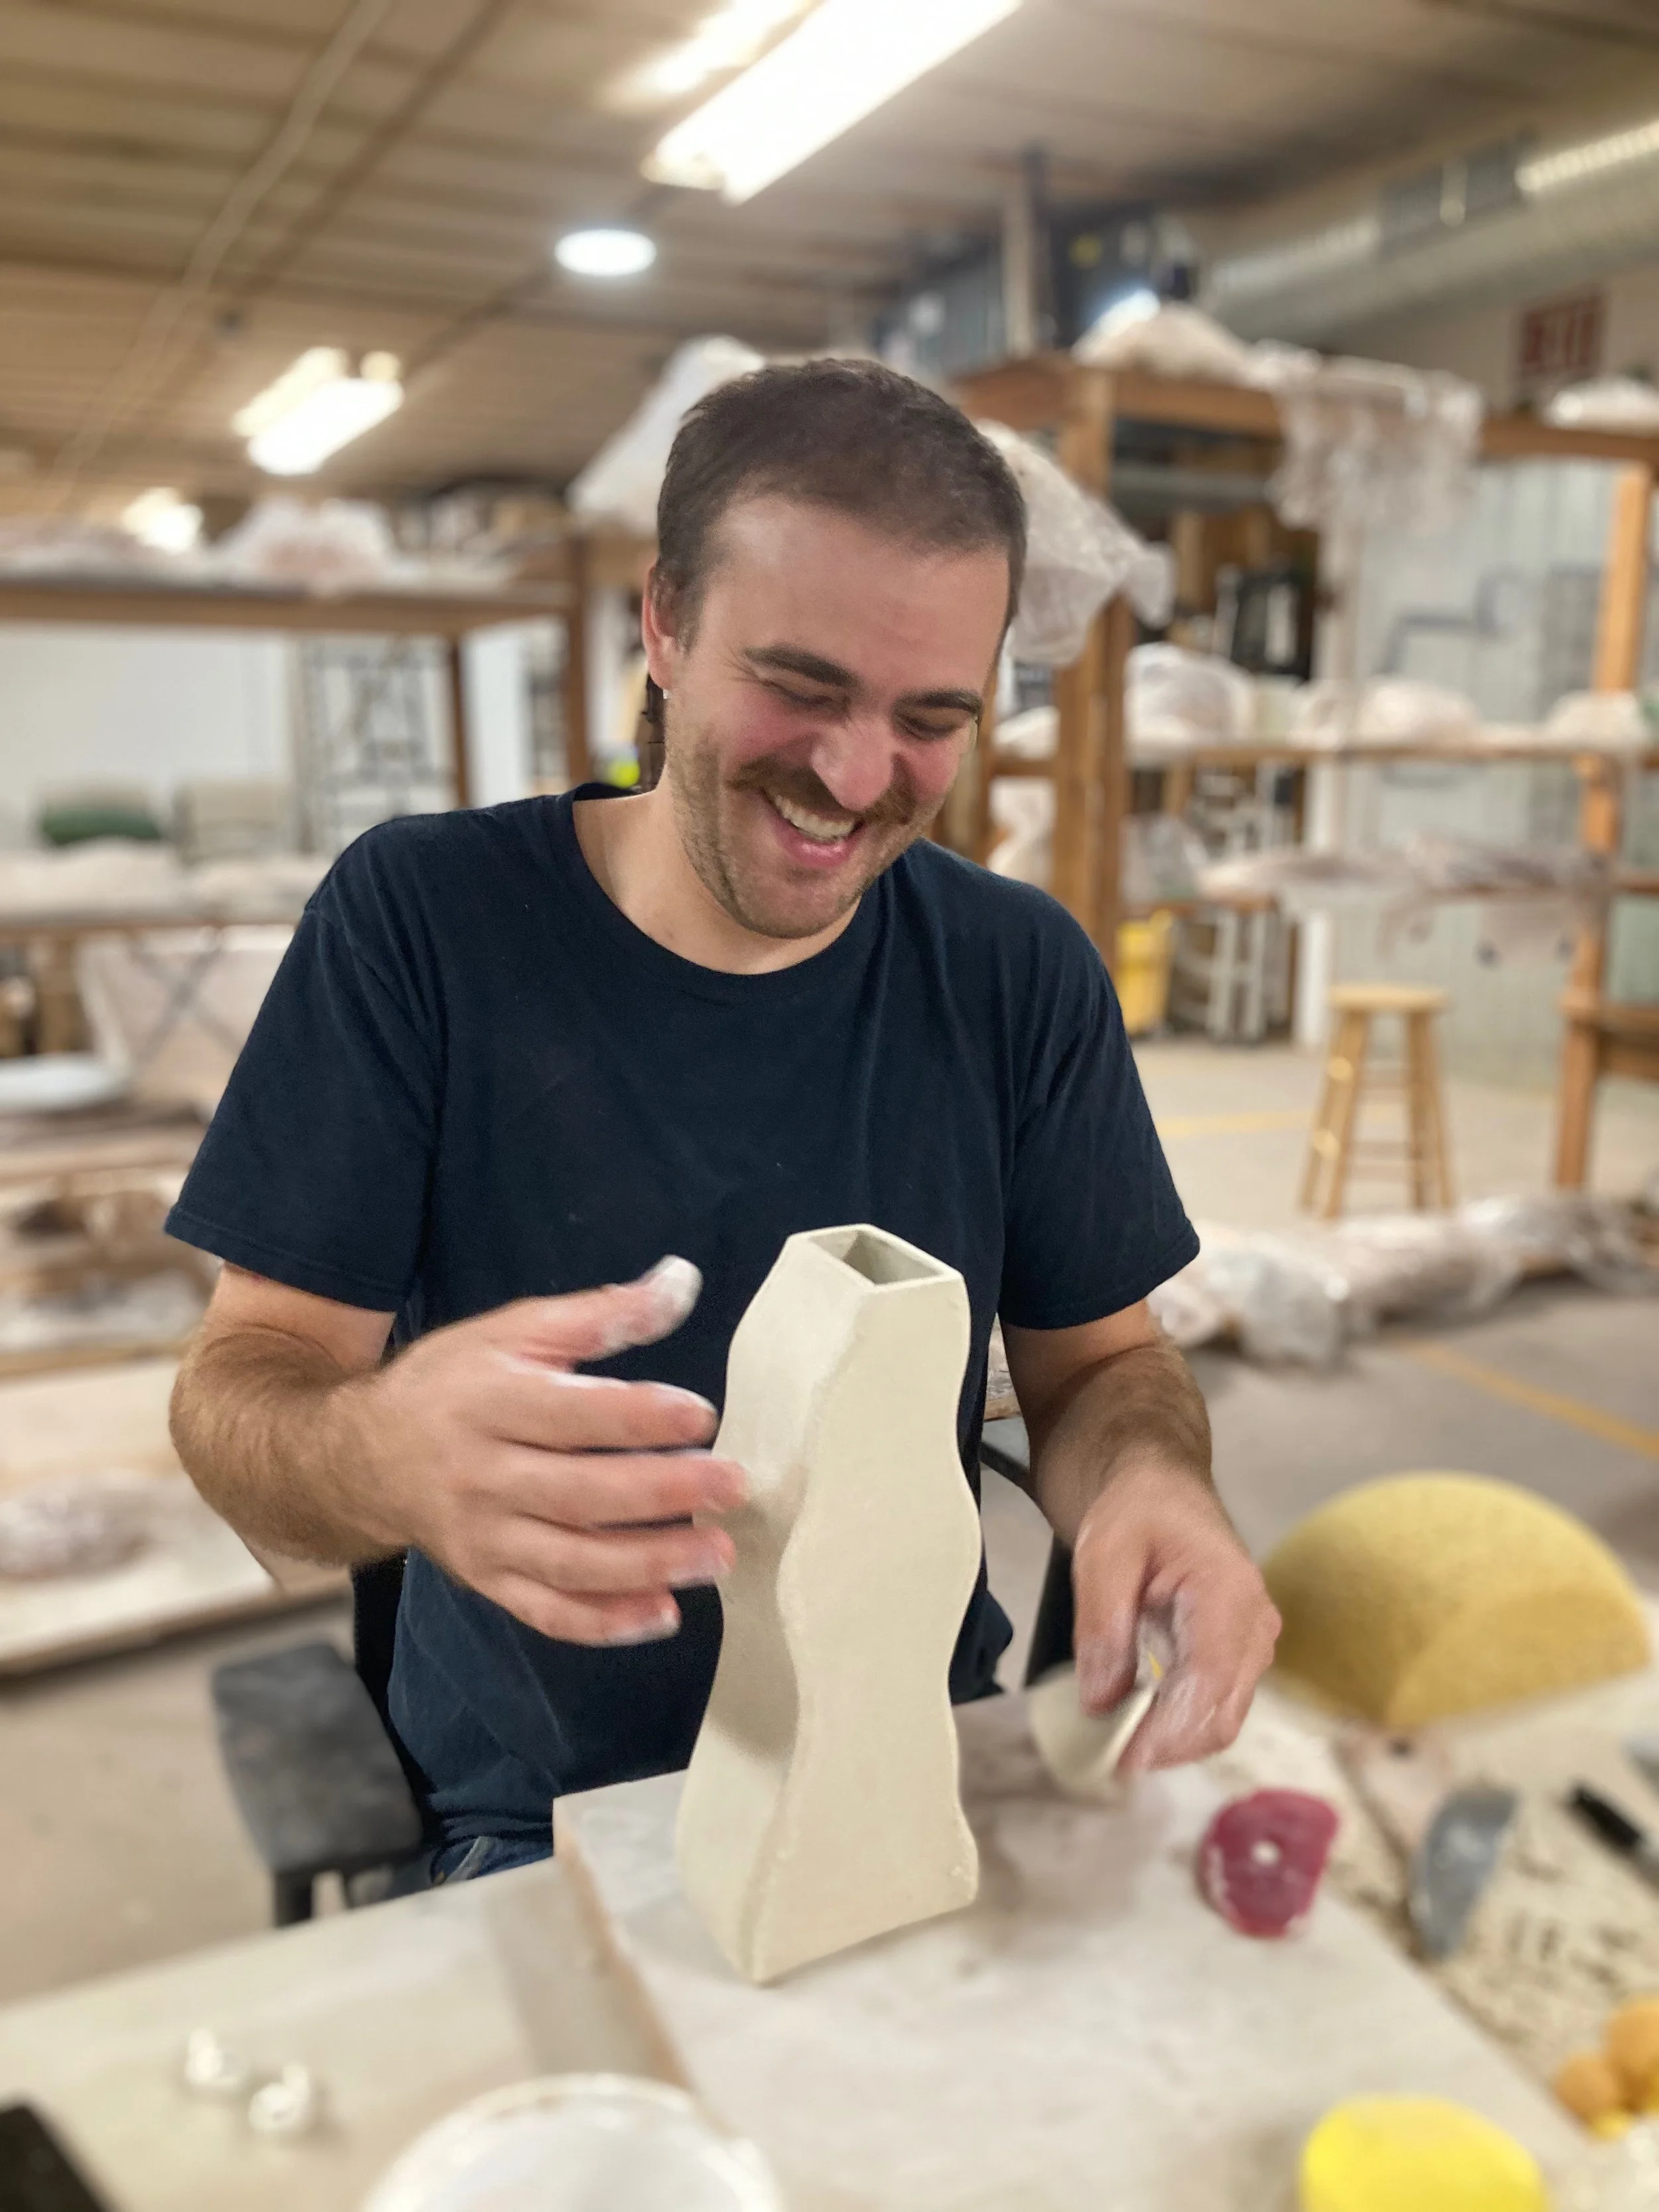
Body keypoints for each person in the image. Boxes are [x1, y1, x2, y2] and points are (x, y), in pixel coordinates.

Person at [168, 359, 1279, 1885]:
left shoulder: (1013, 974)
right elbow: (244, 1388)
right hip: (544, 1812)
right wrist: (379, 1453)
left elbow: (1100, 1371)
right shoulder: (423, 923)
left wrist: (1152, 1487)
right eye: (801, 688)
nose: (854, 776)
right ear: (665, 624)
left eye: (930, 717)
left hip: (909, 1753)